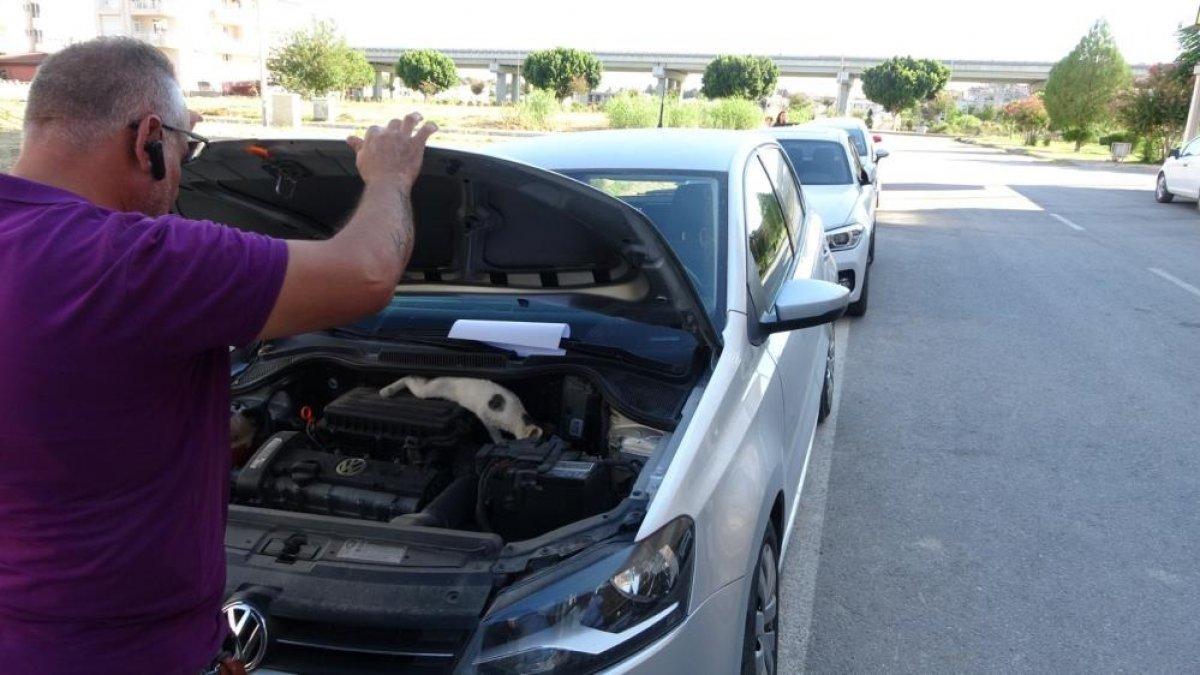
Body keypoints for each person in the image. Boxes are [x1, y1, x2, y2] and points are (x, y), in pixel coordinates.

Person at [0, 38, 436, 674]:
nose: (181, 169)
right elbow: (369, 272)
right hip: (122, 652)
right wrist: (391, 177)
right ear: (146, 137)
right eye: (182, 146)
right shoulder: (138, 261)